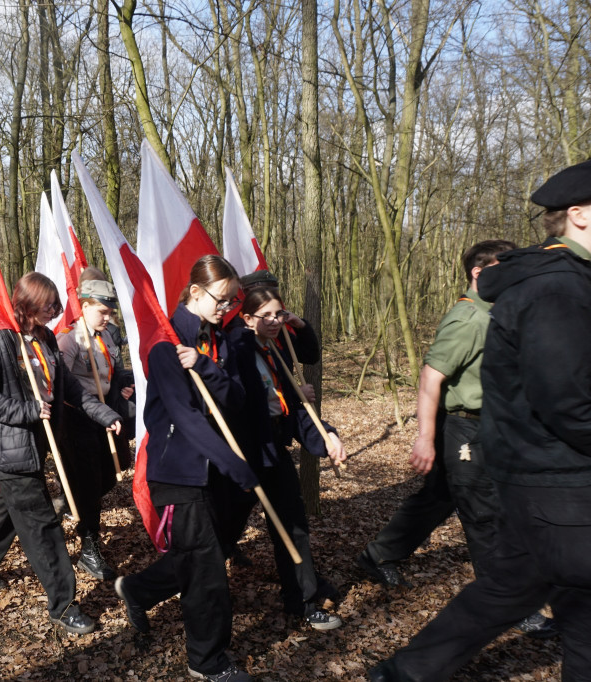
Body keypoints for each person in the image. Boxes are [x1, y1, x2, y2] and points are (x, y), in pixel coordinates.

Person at [370, 160, 591, 681]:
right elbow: (564, 398)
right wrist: (426, 437)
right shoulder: (553, 289)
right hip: (552, 475)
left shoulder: (564, 282)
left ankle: (406, 670)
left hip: (540, 469)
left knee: (513, 583)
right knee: (540, 590)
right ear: (578, 215)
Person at [357, 240, 554, 638]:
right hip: (465, 430)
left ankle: (377, 555)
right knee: (486, 514)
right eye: (506, 268)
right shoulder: (468, 319)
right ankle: (510, 604)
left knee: (437, 498)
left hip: (488, 427)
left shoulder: (497, 314)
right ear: (479, 273)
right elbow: (431, 376)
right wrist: (425, 439)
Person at [113, 255, 258, 682]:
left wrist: (207, 366)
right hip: (177, 472)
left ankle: (138, 589)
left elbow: (236, 399)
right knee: (207, 570)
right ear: (195, 292)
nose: (225, 308)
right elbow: (185, 416)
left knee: (195, 557)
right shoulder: (164, 342)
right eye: (220, 299)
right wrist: (236, 465)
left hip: (212, 469)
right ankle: (207, 661)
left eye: (231, 302)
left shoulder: (214, 341)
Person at [0, 272, 122, 635]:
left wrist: (105, 414)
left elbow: (72, 392)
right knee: (42, 524)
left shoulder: (46, 339)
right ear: (28, 303)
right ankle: (63, 604)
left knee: (8, 512)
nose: (56, 311)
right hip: (9, 447)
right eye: (49, 305)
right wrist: (28, 410)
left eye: (56, 305)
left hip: (39, 441)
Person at [227, 284, 347, 630]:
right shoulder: (238, 350)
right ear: (247, 318)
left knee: (293, 526)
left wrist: (326, 437)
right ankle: (147, 588)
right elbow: (240, 405)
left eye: (279, 313)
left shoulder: (273, 349)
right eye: (267, 316)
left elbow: (289, 408)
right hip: (242, 458)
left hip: (272, 454)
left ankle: (303, 600)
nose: (276, 320)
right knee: (221, 534)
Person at [56, 273, 135, 581]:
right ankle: (89, 546)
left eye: (110, 311)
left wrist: (123, 387)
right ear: (85, 306)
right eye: (103, 310)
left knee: (113, 473)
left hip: (105, 415)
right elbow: (59, 380)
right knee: (91, 486)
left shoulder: (105, 338)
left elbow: (112, 374)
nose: (108, 316)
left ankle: (71, 500)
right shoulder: (71, 338)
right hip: (78, 421)